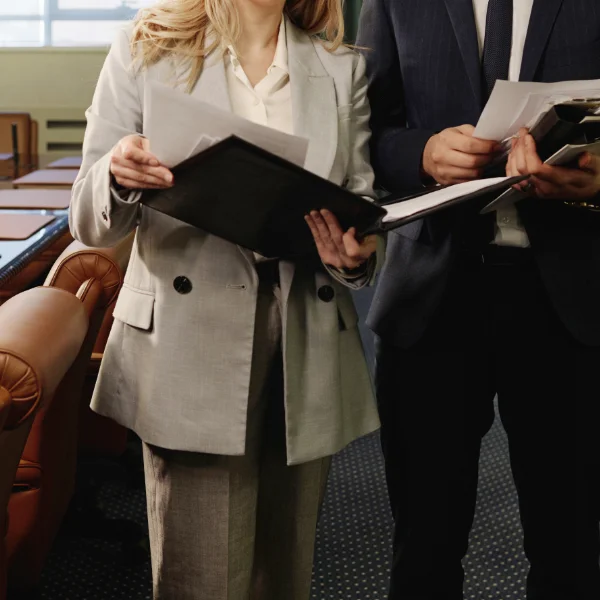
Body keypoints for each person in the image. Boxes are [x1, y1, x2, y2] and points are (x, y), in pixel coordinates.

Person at [69, 1, 383, 598]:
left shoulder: (340, 66)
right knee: (200, 578)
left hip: (304, 335)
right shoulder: (146, 48)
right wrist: (116, 171)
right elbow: (87, 218)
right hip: (190, 340)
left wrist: (356, 256)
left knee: (284, 574)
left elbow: (360, 203)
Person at [357, 1, 600, 599]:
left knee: (570, 548)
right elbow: (365, 131)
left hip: (569, 298)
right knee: (423, 547)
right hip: (432, 296)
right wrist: (420, 154)